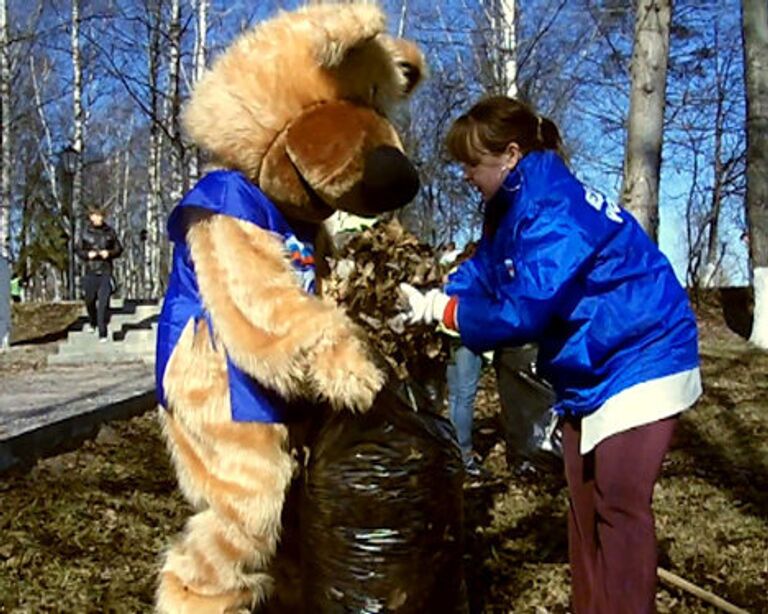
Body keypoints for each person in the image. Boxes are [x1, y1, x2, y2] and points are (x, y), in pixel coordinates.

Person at [398, 96, 701, 613]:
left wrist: (444, 314)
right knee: (583, 506)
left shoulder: (553, 208)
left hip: (644, 350)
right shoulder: (510, 209)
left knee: (619, 503)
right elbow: (485, 271)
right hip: (590, 366)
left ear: (510, 155)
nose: (466, 175)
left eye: (473, 164)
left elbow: (526, 311)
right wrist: (428, 289)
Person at [440, 241, 485, 478]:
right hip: (468, 335)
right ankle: (465, 456)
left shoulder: (456, 270)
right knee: (465, 397)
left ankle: (453, 449)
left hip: (448, 335)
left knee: (456, 396)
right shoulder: (479, 271)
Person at [76, 207, 123, 341]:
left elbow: (119, 249)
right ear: (91, 217)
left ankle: (103, 332)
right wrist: (87, 254)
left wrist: (109, 253)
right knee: (89, 300)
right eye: (96, 216)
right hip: (90, 270)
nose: (99, 218)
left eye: (101, 216)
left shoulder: (110, 232)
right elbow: (78, 250)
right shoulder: (85, 233)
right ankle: (93, 321)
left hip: (105, 270)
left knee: (103, 302)